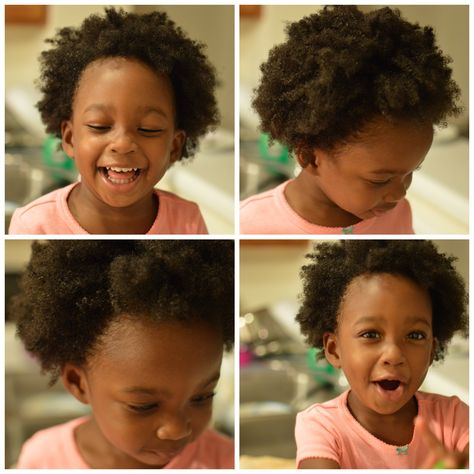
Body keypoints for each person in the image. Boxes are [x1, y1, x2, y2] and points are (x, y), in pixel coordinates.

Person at [11, 240, 234, 468]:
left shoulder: (225, 461)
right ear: (78, 382)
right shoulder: (44, 459)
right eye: (143, 406)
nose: (177, 430)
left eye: (202, 397)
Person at [240, 6, 461, 234]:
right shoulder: (251, 224)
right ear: (310, 157)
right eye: (380, 180)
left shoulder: (397, 212)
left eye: (410, 173)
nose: (400, 194)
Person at [9, 8, 220, 234]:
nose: (122, 144)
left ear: (175, 146)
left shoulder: (187, 222)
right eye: (100, 126)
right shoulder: (33, 225)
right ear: (69, 139)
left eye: (148, 129)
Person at [295, 240, 468, 468]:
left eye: (415, 336)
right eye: (371, 334)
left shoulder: (455, 418)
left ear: (432, 350)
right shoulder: (321, 426)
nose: (394, 354)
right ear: (334, 350)